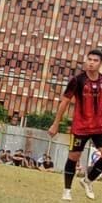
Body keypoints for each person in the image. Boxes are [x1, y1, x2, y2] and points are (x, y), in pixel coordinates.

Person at [49, 49, 102, 201]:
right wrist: (55, 124)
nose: (91, 62)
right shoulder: (77, 80)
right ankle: (67, 190)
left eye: (95, 60)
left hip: (99, 127)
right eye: (89, 59)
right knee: (73, 157)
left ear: (100, 63)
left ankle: (88, 180)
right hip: (80, 127)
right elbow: (65, 102)